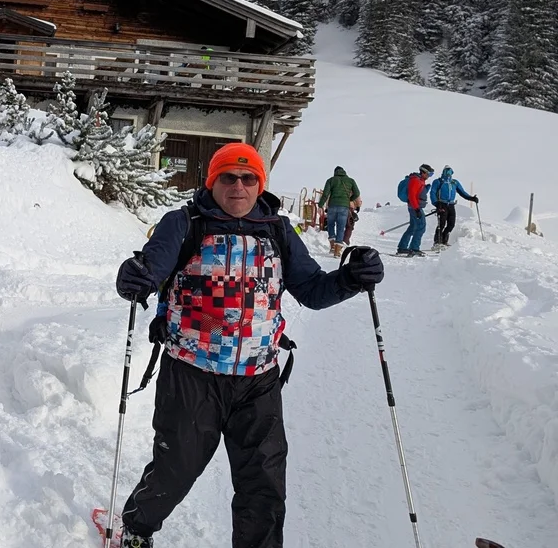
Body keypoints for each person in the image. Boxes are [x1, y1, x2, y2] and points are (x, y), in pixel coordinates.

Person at [113, 142, 384, 548]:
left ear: (259, 185)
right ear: (213, 181)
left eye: (248, 177)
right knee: (176, 468)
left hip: (258, 379)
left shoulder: (278, 230)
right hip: (192, 373)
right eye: (228, 176)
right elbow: (150, 269)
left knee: (265, 485)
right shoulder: (183, 223)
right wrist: (134, 279)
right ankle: (136, 528)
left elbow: (312, 289)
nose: (237, 185)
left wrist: (352, 278)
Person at [429, 165, 477, 249]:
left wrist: (471, 198)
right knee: (441, 224)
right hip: (442, 204)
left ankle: (444, 241)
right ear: (443, 172)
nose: (448, 173)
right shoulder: (438, 182)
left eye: (450, 171)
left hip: (451, 205)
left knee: (451, 224)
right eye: (447, 171)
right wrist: (436, 203)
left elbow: (462, 192)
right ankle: (437, 242)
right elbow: (432, 193)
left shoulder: (454, 182)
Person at [318, 166, 361, 257]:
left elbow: (325, 194)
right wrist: (349, 199)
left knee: (330, 225)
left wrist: (320, 205)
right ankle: (337, 252)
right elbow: (357, 193)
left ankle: (332, 246)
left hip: (332, 206)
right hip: (344, 207)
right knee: (341, 227)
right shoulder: (351, 181)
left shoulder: (331, 180)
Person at [397, 164, 433, 257]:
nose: (429, 176)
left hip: (414, 207)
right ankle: (414, 248)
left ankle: (402, 247)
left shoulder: (420, 181)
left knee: (413, 227)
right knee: (421, 227)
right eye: (429, 174)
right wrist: (416, 209)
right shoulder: (415, 181)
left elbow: (418, 194)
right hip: (415, 207)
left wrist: (426, 189)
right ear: (423, 172)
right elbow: (412, 195)